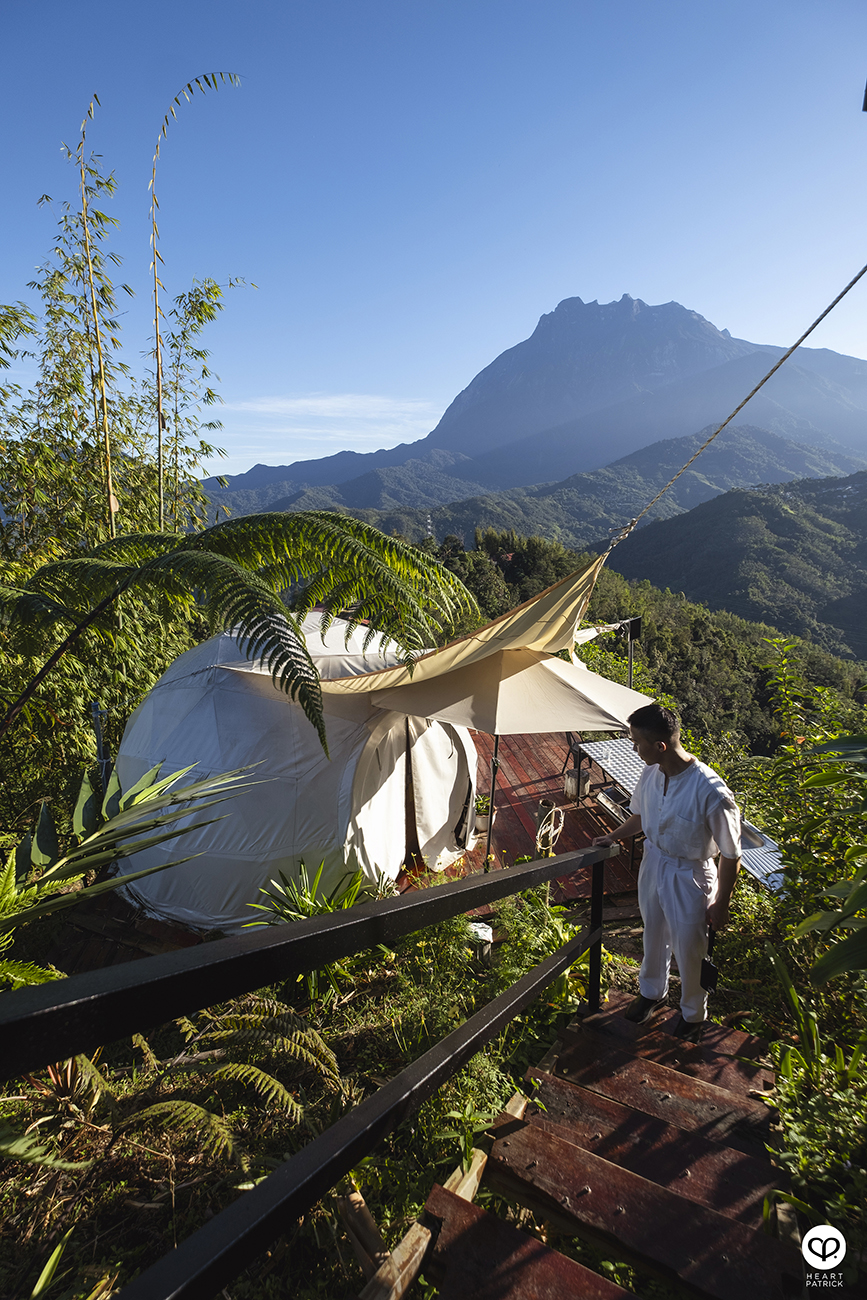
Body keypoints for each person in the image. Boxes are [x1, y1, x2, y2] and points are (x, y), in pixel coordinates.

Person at [593, 703, 742, 1042]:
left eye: (637, 743)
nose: (634, 748)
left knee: (690, 947)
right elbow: (640, 816)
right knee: (653, 932)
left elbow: (731, 855)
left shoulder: (711, 792)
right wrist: (614, 836)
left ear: (660, 746)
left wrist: (722, 904)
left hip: (690, 875)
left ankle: (693, 1014)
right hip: (654, 861)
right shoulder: (651, 772)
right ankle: (652, 991)